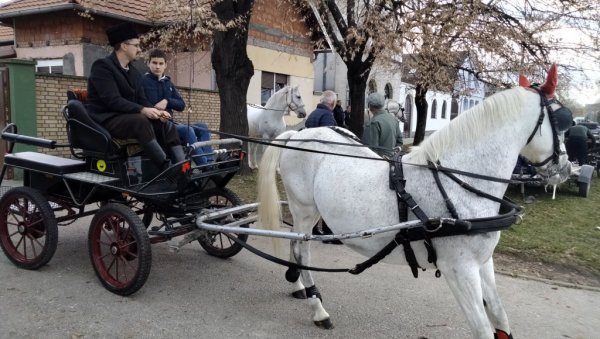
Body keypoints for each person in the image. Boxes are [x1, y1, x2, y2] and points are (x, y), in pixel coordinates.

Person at [86, 22, 184, 170]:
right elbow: (113, 100)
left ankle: (182, 168)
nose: (139, 49)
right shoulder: (103, 67)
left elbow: (142, 100)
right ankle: (166, 169)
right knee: (141, 121)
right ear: (124, 46)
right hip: (107, 119)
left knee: (166, 123)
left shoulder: (134, 72)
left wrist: (157, 112)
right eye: (136, 45)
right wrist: (143, 110)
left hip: (127, 118)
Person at [142, 49, 213, 166]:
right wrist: (159, 113)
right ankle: (205, 166)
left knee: (202, 127)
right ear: (148, 63)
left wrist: (167, 101)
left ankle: (210, 161)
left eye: (160, 64)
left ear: (165, 65)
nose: (157, 66)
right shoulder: (143, 81)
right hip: (155, 126)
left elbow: (181, 105)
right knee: (187, 130)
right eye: (154, 63)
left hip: (171, 123)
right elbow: (141, 103)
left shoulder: (168, 83)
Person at [305, 90, 341, 244]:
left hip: (311, 160)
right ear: (332, 103)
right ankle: (328, 233)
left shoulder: (313, 114)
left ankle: (313, 229)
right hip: (323, 162)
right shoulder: (327, 116)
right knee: (328, 197)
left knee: (313, 197)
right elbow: (330, 140)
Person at [362, 92, 403, 157]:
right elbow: (400, 141)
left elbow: (369, 151)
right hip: (392, 161)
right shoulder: (393, 119)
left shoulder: (374, 123)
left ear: (370, 106)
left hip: (379, 164)